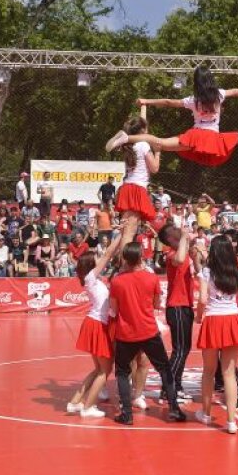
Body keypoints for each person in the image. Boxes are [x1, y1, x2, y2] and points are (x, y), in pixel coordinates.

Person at [105, 66, 238, 167]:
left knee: (159, 142)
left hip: (195, 136)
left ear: (196, 82)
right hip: (214, 138)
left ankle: (127, 137)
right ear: (211, 80)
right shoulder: (219, 94)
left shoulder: (193, 100)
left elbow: (169, 102)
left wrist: (147, 101)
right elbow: (235, 91)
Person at [107, 242, 187, 425]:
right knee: (164, 369)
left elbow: (114, 308)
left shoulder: (117, 281)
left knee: (122, 371)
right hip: (149, 330)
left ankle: (127, 413)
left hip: (126, 333)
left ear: (125, 259)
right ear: (141, 257)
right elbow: (157, 304)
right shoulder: (151, 279)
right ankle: (174, 408)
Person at [194, 237, 238, 435]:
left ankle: (206, 413)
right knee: (229, 373)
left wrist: (199, 316)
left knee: (209, 371)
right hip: (232, 319)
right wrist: (234, 315)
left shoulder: (206, 272)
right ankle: (232, 421)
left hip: (213, 320)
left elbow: (201, 299)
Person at [66, 234, 126, 419]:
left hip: (94, 322)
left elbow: (107, 257)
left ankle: (75, 402)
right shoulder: (91, 277)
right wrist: (120, 236)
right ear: (90, 265)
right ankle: (88, 407)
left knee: (99, 369)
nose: (98, 260)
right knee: (105, 370)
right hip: (97, 324)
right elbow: (107, 254)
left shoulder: (92, 279)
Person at [113, 115, 160, 249]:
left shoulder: (128, 144)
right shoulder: (143, 145)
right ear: (143, 130)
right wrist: (158, 152)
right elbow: (154, 168)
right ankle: (124, 265)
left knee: (125, 231)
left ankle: (121, 261)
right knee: (129, 232)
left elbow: (142, 119)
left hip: (127, 187)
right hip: (136, 188)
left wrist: (144, 106)